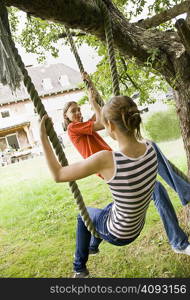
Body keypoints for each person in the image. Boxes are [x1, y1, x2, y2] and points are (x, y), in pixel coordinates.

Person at [40, 95, 190, 278]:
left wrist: (43, 138)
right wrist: (95, 103)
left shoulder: (105, 159)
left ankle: (79, 269)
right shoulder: (151, 148)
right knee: (131, 198)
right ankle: (94, 245)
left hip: (119, 232)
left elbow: (58, 175)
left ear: (110, 126)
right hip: (136, 226)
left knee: (83, 215)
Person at [63, 73, 190, 257]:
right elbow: (102, 121)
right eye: (72, 111)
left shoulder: (83, 124)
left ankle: (93, 243)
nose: (77, 113)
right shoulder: (73, 128)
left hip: (115, 160)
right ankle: (178, 238)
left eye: (78, 109)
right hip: (107, 164)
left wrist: (91, 87)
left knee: (151, 187)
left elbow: (105, 114)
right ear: (66, 117)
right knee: (153, 182)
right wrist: (93, 101)